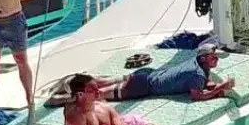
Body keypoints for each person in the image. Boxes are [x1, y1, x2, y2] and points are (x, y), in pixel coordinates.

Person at [84, 46, 236, 103]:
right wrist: (220, 88)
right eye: (213, 57)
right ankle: (69, 97)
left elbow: (206, 81)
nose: (216, 59)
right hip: (143, 87)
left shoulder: (196, 63)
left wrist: (214, 86)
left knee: (102, 82)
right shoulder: (197, 74)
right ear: (203, 58)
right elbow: (197, 96)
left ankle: (76, 81)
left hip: (145, 75)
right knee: (99, 94)